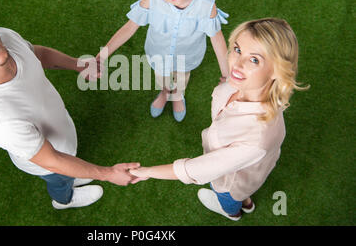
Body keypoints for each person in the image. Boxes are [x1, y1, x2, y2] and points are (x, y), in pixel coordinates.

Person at [0, 7, 140, 210]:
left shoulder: (1, 38)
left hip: (61, 131)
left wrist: (77, 64)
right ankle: (64, 199)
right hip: (50, 163)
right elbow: (53, 159)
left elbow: (36, 54)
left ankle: (74, 175)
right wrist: (108, 174)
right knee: (59, 179)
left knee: (69, 167)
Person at [130, 18, 309, 221]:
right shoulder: (253, 89)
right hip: (251, 171)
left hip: (229, 183)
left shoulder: (257, 138)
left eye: (255, 60)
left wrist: (146, 172)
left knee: (229, 198)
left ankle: (233, 212)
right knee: (244, 192)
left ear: (277, 70)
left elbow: (194, 169)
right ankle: (246, 203)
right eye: (237, 49)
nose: (236, 64)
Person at [96, 0, 229, 122]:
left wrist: (227, 76)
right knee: (162, 76)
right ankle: (165, 92)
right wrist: (103, 54)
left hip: (187, 56)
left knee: (182, 78)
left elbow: (217, 40)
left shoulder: (206, 4)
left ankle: (177, 95)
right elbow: (130, 27)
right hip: (158, 53)